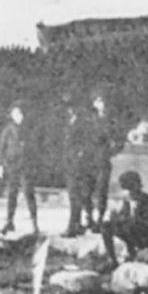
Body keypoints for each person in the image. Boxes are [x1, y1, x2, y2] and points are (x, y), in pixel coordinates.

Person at [101, 170, 148, 265]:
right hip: (134, 232)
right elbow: (123, 216)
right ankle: (112, 259)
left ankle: (133, 252)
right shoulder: (127, 199)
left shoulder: (145, 200)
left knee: (129, 225)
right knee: (106, 226)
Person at [0, 102, 38, 235]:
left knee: (29, 194)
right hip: (12, 166)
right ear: (12, 116)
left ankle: (34, 223)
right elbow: (1, 148)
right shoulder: (8, 130)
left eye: (20, 113)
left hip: (25, 166)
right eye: (15, 114)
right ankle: (9, 222)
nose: (19, 116)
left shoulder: (29, 129)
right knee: (12, 194)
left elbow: (35, 147)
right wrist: (0, 165)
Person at [61, 97, 99, 236]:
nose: (69, 110)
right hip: (71, 165)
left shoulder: (82, 123)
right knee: (78, 196)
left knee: (76, 196)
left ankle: (74, 226)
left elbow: (86, 144)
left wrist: (79, 156)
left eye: (71, 107)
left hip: (79, 166)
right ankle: (83, 223)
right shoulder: (69, 123)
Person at [86, 92, 117, 230]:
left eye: (102, 101)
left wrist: (111, 151)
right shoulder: (89, 119)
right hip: (90, 159)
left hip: (103, 159)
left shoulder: (110, 120)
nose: (100, 104)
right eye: (97, 101)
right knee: (87, 189)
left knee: (101, 190)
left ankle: (100, 217)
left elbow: (117, 138)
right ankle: (89, 216)